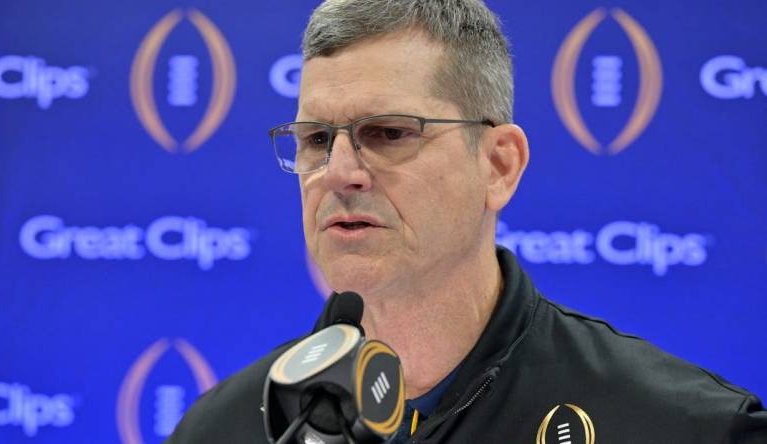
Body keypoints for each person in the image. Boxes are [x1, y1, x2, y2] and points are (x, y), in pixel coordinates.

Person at [166, 1, 767, 442]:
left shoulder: (684, 429)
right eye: (316, 137)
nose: (339, 171)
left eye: (389, 133)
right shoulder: (218, 430)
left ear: (499, 166)